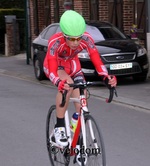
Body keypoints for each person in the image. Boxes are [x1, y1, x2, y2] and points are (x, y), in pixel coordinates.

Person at [44, 10, 117, 148]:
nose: (76, 42)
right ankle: (59, 128)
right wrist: (58, 82)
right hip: (56, 65)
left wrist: (106, 77)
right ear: (64, 35)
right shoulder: (55, 41)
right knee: (68, 84)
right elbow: (52, 65)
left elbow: (96, 58)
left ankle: (77, 143)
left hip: (73, 65)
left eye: (79, 38)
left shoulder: (87, 39)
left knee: (82, 105)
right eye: (71, 39)